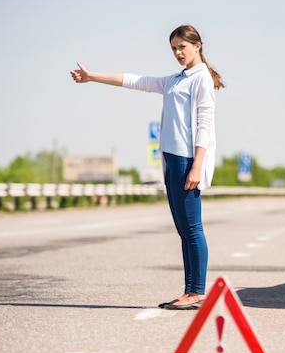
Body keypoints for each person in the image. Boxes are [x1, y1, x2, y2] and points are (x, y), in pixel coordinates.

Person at [70, 24, 224, 310]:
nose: (178, 53)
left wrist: (196, 167)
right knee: (183, 229)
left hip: (187, 159)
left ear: (197, 46)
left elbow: (205, 125)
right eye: (174, 49)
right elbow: (136, 80)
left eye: (183, 47)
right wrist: (92, 77)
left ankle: (197, 291)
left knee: (192, 228)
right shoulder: (177, 79)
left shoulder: (200, 78)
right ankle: (191, 291)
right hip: (170, 158)